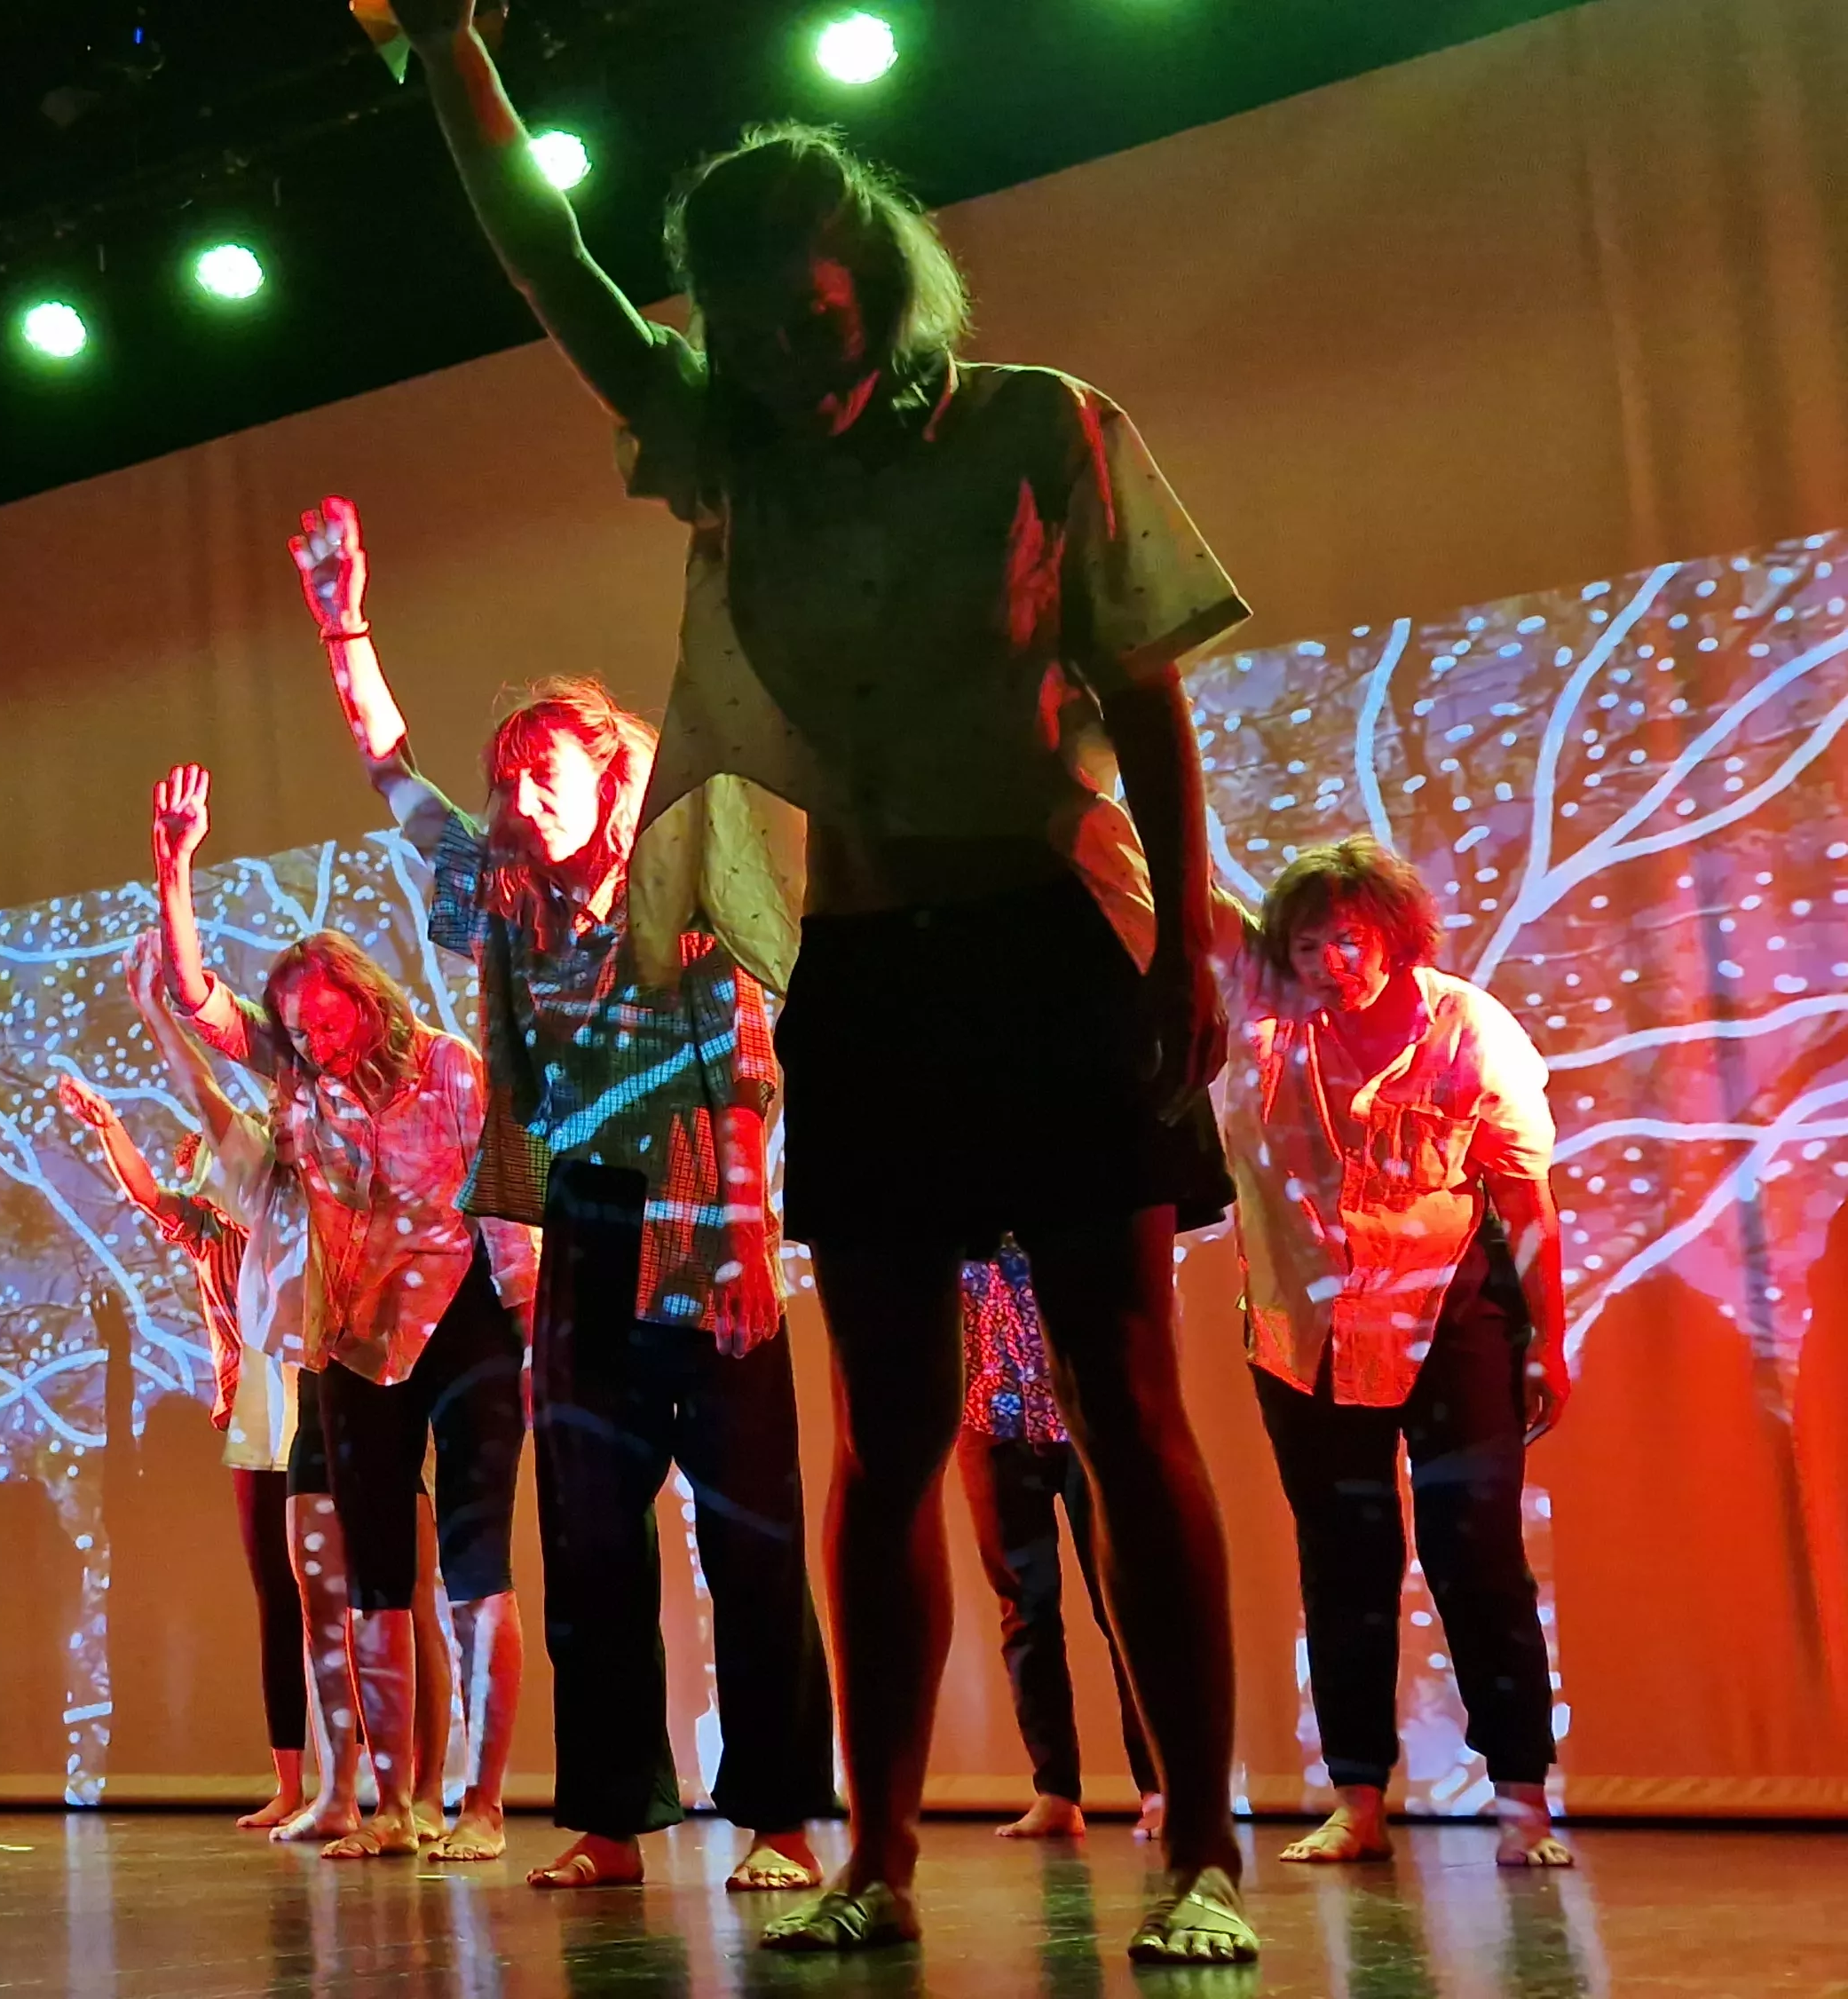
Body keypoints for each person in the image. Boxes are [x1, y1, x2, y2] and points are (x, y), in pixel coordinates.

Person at [381, 9, 1260, 1957]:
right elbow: (550, 262)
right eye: (749, 329)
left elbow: (1143, 690)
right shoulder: (727, 448)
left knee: (1124, 1395)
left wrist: (1185, 945)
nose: (786, 355)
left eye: (812, 314)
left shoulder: (1040, 424)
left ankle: (1203, 1843)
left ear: (877, 269)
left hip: (1052, 941)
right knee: (885, 1424)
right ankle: (878, 1855)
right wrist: (449, 48)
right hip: (863, 961)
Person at [290, 506, 831, 1898]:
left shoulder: (686, 869)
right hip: (589, 1223)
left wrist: (742, 1242)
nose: (521, 794)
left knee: (750, 1527)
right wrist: (345, 626)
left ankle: (778, 1820)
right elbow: (395, 782)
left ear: (612, 770)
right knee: (590, 1530)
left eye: (546, 769)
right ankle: (609, 1821)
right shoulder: (508, 901)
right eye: (508, 777)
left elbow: (744, 1068)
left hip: (706, 1209)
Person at [153, 765, 532, 1865]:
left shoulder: (449, 1068)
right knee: (372, 1575)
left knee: (474, 1563)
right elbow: (200, 1002)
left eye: (327, 1017)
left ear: (368, 997)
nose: (315, 1039)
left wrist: (530, 1328)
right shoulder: (303, 1090)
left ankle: (482, 1803)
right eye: (298, 1029)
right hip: (357, 1338)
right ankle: (394, 1805)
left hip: (465, 1323)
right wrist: (175, 873)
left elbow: (506, 1202)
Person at [1212, 839, 1574, 1869]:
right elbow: (1177, 900)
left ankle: (1521, 1798)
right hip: (1305, 1331)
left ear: (1395, 935)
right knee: (1343, 1557)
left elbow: (1524, 1196)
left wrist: (1547, 1340)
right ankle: (1356, 1797)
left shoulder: (1468, 1030)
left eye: (1350, 940)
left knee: (1477, 1554)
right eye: (1309, 944)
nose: (1332, 963)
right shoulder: (1263, 1017)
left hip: (1450, 1314)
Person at [54, 933, 329, 1832]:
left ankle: (361, 1779)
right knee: (275, 1597)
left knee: (331, 1592)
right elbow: (147, 1196)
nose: (196, 1162)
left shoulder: (291, 1204)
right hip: (255, 1411)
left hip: (317, 1389)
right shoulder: (214, 1235)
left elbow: (214, 1111)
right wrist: (107, 1127)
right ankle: (293, 1780)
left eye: (207, 1155)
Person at [957, 1242, 1160, 1842]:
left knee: (1123, 1604)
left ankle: (1159, 1788)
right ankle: (1056, 1792)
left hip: (1085, 1407)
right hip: (990, 1412)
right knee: (1025, 1609)